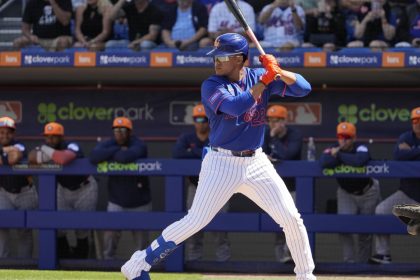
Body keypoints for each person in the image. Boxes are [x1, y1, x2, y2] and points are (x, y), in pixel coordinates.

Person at [121, 33, 316, 280]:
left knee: (291, 218)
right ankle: (138, 264)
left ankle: (305, 276)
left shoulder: (259, 76)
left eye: (222, 56)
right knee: (195, 221)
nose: (216, 61)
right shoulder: (212, 84)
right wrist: (266, 81)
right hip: (221, 162)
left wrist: (278, 71)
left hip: (256, 162)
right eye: (215, 57)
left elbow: (304, 89)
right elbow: (236, 107)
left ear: (239, 59)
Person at [28, 122, 98, 259]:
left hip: (84, 188)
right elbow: (31, 157)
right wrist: (45, 152)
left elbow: (63, 158)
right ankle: (65, 259)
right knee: (57, 227)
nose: (50, 140)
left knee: (82, 229)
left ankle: (81, 262)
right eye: (47, 137)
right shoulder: (46, 147)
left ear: (61, 137)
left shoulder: (71, 145)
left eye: (54, 136)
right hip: (63, 189)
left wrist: (45, 151)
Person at [173, 103, 231, 262]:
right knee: (193, 225)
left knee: (221, 227)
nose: (201, 122)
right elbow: (177, 154)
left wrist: (193, 152)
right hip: (196, 186)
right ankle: (194, 260)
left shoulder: (218, 135)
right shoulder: (186, 137)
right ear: (193, 121)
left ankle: (224, 262)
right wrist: (204, 153)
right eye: (198, 119)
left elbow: (221, 156)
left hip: (219, 187)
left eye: (204, 119)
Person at [90, 117, 151, 260]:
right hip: (116, 201)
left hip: (140, 202)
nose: (119, 133)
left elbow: (125, 157)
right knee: (110, 238)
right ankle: (107, 267)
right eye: (116, 130)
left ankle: (141, 267)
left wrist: (112, 153)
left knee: (142, 243)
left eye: (123, 130)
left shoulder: (139, 144)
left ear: (130, 132)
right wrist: (117, 149)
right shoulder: (111, 143)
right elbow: (94, 156)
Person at [319, 122, 381, 263]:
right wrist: (340, 156)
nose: (343, 140)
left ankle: (363, 265)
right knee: (344, 226)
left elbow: (359, 160)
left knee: (365, 230)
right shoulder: (332, 148)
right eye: (341, 136)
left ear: (353, 138)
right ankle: (349, 262)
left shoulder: (361, 147)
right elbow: (323, 161)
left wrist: (339, 156)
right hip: (346, 192)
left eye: (347, 137)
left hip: (368, 192)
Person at [369, 107, 420, 264]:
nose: (417, 123)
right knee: (381, 210)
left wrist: (412, 151)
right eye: (414, 120)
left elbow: (406, 154)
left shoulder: (409, 142)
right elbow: (398, 155)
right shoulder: (406, 137)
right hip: (407, 193)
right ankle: (383, 254)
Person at [262, 104, 302, 264]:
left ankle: (293, 255)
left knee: (291, 221)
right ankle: (281, 260)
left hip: (292, 186)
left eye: (277, 120)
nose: (273, 123)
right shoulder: (264, 133)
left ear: (284, 120)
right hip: (272, 188)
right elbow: (258, 152)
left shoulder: (294, 135)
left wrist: (274, 137)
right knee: (277, 224)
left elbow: (289, 155)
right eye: (270, 120)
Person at [0, 117, 38, 258]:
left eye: (8, 132)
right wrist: (6, 153)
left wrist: (3, 156)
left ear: (13, 134)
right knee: (1, 227)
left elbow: (13, 158)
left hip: (24, 191)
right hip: (4, 192)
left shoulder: (19, 145)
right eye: (1, 132)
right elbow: (8, 157)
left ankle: (25, 265)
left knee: (24, 230)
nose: (5, 135)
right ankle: (2, 265)